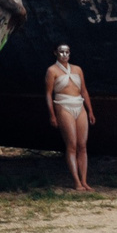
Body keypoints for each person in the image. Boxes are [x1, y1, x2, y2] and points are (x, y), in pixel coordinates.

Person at [46, 43, 94, 192]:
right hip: (63, 105)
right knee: (71, 145)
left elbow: (84, 91)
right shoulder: (52, 71)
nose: (65, 55)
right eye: (61, 52)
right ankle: (76, 181)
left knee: (82, 146)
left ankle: (84, 181)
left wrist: (90, 111)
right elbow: (48, 93)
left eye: (67, 52)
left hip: (79, 105)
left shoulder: (77, 69)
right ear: (55, 53)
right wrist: (52, 114)